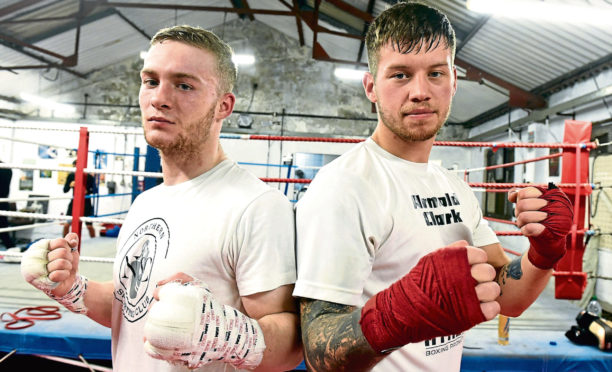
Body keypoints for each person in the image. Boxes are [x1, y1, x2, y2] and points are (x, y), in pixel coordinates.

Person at [293, 2, 574, 371]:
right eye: (400, 75)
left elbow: (507, 298)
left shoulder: (452, 187)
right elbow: (318, 353)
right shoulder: (344, 187)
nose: (420, 91)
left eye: (436, 73)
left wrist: (544, 252)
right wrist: (397, 314)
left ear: (454, 82)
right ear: (371, 87)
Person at [21, 25, 302, 371]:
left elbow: (290, 345)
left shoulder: (256, 206)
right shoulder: (147, 202)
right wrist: (72, 288)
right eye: (151, 81)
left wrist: (227, 334)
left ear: (223, 106)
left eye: (184, 85)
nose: (159, 98)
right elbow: (128, 305)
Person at [63, 159, 97, 238]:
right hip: (74, 203)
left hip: (86, 204)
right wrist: (70, 185)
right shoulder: (71, 176)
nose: (75, 169)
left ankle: (94, 240)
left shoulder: (88, 177)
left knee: (89, 227)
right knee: (66, 225)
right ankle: (63, 242)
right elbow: (65, 190)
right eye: (74, 167)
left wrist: (87, 191)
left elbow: (95, 191)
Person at [0, 160, 15, 249]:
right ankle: (12, 248)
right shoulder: (7, 167)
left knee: (4, 230)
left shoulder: (5, 168)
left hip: (2, 201)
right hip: (4, 202)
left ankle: (12, 248)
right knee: (4, 230)